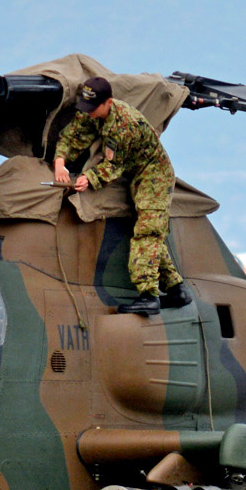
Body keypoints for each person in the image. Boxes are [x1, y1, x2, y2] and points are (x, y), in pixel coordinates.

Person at [52, 76, 191, 317]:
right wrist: (59, 161)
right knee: (151, 232)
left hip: (153, 177)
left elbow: (114, 166)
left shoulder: (126, 124)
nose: (88, 112)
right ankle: (176, 289)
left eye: (93, 108)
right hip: (134, 175)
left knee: (147, 233)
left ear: (108, 102)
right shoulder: (92, 112)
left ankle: (149, 296)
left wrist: (90, 179)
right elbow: (73, 135)